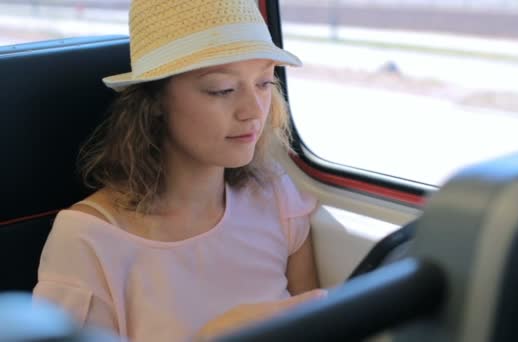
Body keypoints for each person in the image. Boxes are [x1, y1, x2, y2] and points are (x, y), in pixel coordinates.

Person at [32, 0, 325, 341]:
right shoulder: (88, 242)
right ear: (155, 102)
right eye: (223, 89)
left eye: (263, 84)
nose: (253, 111)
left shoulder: (275, 197)